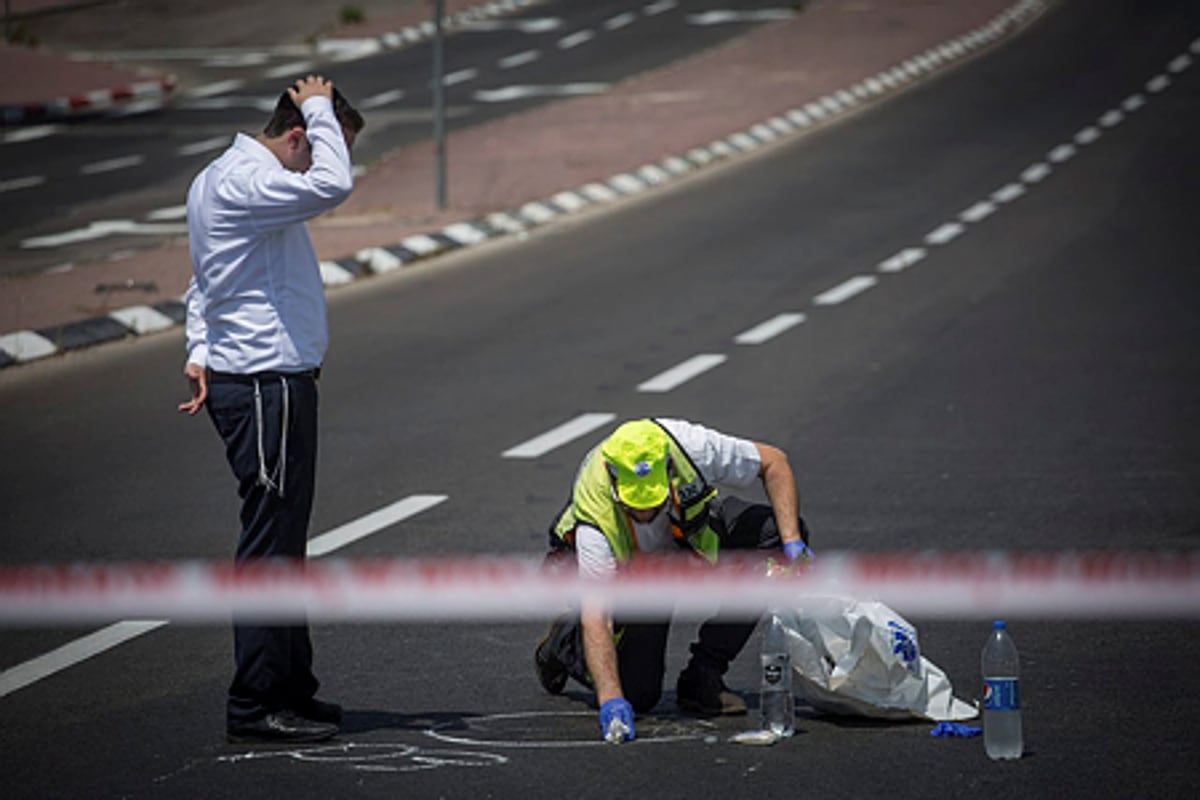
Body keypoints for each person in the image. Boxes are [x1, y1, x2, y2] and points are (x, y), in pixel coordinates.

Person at [177, 75, 364, 744]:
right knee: (269, 548)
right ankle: (255, 704)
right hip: (265, 386)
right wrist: (319, 106)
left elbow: (202, 284)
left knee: (285, 545)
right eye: (318, 146)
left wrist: (199, 351)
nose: (321, 160)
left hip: (265, 381)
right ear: (295, 137)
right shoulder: (245, 183)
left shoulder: (220, 180)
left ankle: (291, 688)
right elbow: (332, 186)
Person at [534, 417, 813, 743]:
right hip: (631, 574)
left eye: (652, 503)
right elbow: (599, 615)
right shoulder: (594, 520)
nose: (644, 515)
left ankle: (704, 676)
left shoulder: (689, 446)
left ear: (668, 471)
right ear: (613, 480)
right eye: (634, 507)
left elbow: (773, 462)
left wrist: (792, 542)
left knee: (776, 534)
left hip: (686, 540)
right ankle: (565, 643)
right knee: (638, 695)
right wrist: (610, 699)